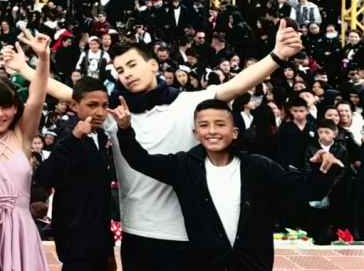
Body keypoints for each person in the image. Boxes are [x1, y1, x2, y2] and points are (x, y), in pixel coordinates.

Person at [4, 19, 304, 270]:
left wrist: (277, 55)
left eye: (132, 65)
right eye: (120, 70)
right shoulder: (116, 115)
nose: (127, 73)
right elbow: (69, 94)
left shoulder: (190, 104)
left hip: (187, 235)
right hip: (137, 234)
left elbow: (236, 85)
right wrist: (25, 68)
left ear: (153, 64)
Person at [114, 98, 343, 270]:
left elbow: (305, 189)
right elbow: (140, 161)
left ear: (234, 132)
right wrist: (125, 130)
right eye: (204, 125)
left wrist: (322, 169)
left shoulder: (258, 166)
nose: (212, 131)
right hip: (204, 264)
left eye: (219, 124)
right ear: (195, 133)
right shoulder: (183, 166)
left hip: (252, 263)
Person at [0, 28, 53, 271]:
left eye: (7, 107)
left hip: (22, 230)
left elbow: (37, 97)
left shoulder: (23, 134)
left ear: (16, 109)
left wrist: (43, 58)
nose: (0, 114)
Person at [32, 76, 116, 271]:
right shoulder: (68, 134)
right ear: (74, 105)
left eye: (104, 106)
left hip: (99, 242)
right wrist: (73, 138)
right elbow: (44, 177)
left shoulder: (101, 137)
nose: (100, 112)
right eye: (92, 105)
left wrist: (109, 248)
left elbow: (101, 197)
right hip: (76, 242)